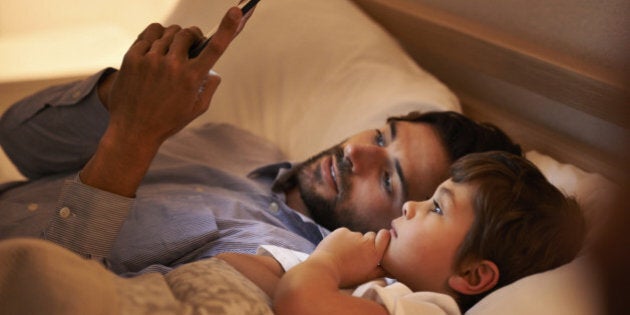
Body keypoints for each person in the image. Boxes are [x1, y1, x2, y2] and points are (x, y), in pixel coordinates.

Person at [0, 5, 521, 276]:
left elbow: (42, 291)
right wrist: (122, 95)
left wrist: (133, 136)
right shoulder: (238, 143)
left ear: (402, 225)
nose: (356, 151)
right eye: (383, 135)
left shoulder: (274, 263)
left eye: (387, 177)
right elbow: (19, 141)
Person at [217, 151, 586, 314]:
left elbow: (299, 303)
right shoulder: (377, 279)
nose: (410, 206)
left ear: (472, 274)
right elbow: (234, 267)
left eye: (437, 207)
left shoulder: (419, 309)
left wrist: (330, 261)